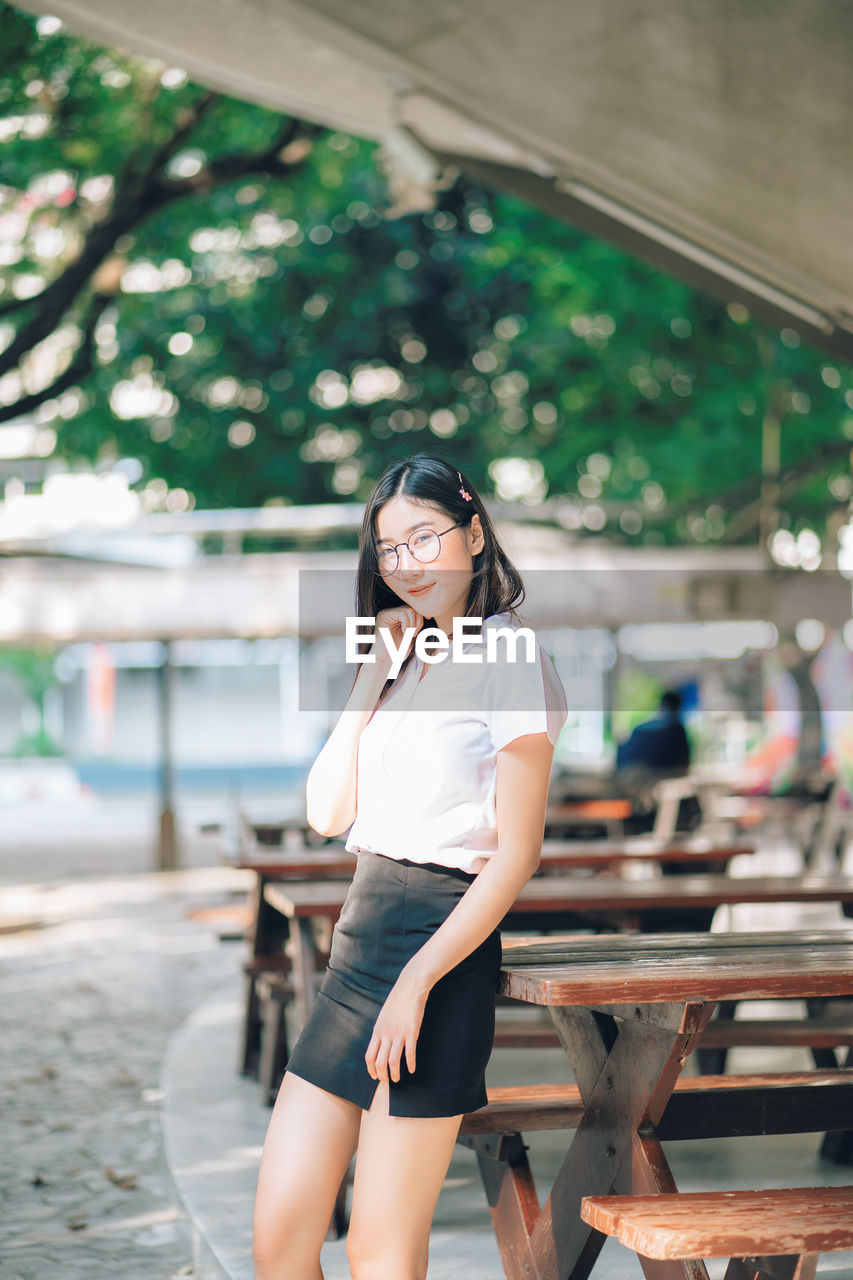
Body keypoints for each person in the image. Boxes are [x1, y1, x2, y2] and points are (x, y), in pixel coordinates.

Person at [252, 453, 568, 1280]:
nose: (406, 565)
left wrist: (418, 982)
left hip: (441, 949)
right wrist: (368, 681)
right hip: (358, 948)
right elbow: (327, 815)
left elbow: (517, 852)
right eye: (389, 549)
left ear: (472, 535)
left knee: (378, 1252)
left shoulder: (509, 658)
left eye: (423, 539)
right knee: (280, 1243)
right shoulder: (401, 657)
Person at [616, 689, 691, 773]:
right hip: (664, 774)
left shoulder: (640, 729)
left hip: (640, 775)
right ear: (678, 708)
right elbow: (685, 763)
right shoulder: (678, 730)